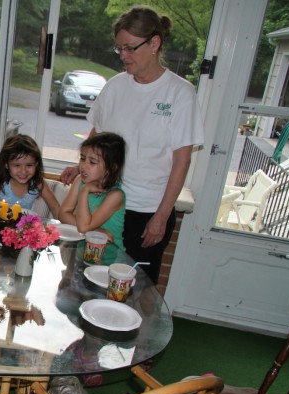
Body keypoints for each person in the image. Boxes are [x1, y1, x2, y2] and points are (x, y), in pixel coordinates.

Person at [60, 6, 204, 283]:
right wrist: (80, 168)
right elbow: (97, 138)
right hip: (103, 202)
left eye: (130, 48)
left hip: (146, 211)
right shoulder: (115, 87)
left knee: (133, 288)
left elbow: (182, 161)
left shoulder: (180, 93)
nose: (123, 56)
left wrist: (161, 217)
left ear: (154, 43)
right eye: (119, 49)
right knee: (86, 279)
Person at [58, 132, 126, 250]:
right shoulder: (79, 180)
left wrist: (85, 191)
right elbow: (62, 214)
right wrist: (97, 231)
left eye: (92, 162)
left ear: (112, 168)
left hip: (109, 253)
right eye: (82, 158)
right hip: (84, 248)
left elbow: (83, 227)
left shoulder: (115, 195)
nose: (83, 166)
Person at [0, 134, 60, 216]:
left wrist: (63, 228)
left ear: (36, 164)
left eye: (29, 165)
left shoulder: (38, 183)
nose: (23, 171)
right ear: (6, 165)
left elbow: (55, 208)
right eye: (17, 165)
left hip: (20, 228)